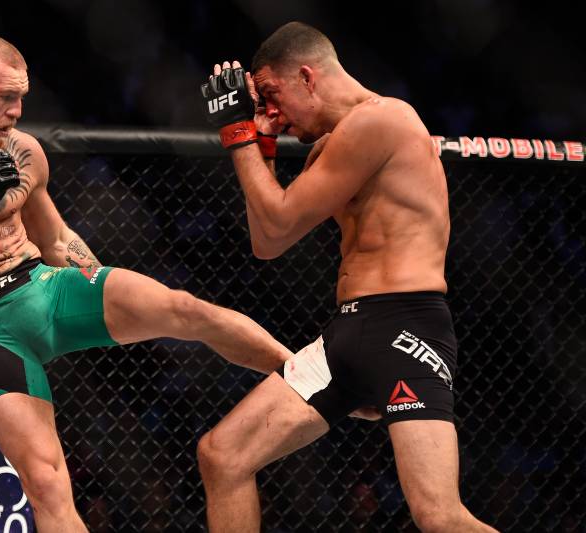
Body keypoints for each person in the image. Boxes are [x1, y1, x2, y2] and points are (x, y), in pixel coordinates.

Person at [0, 34, 293, 532]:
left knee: (183, 308)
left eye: (22, 97)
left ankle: (309, 378)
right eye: (6, 96)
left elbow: (54, 238)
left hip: (44, 287)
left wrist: (100, 283)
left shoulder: (22, 150)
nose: (17, 111)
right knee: (46, 484)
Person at [197, 22, 497, 532]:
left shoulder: (384, 121)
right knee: (222, 456)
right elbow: (268, 241)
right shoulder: (327, 149)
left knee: (440, 516)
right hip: (347, 332)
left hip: (404, 328)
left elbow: (280, 219)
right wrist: (260, 146)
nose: (271, 113)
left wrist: (239, 135)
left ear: (308, 77)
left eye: (272, 96)